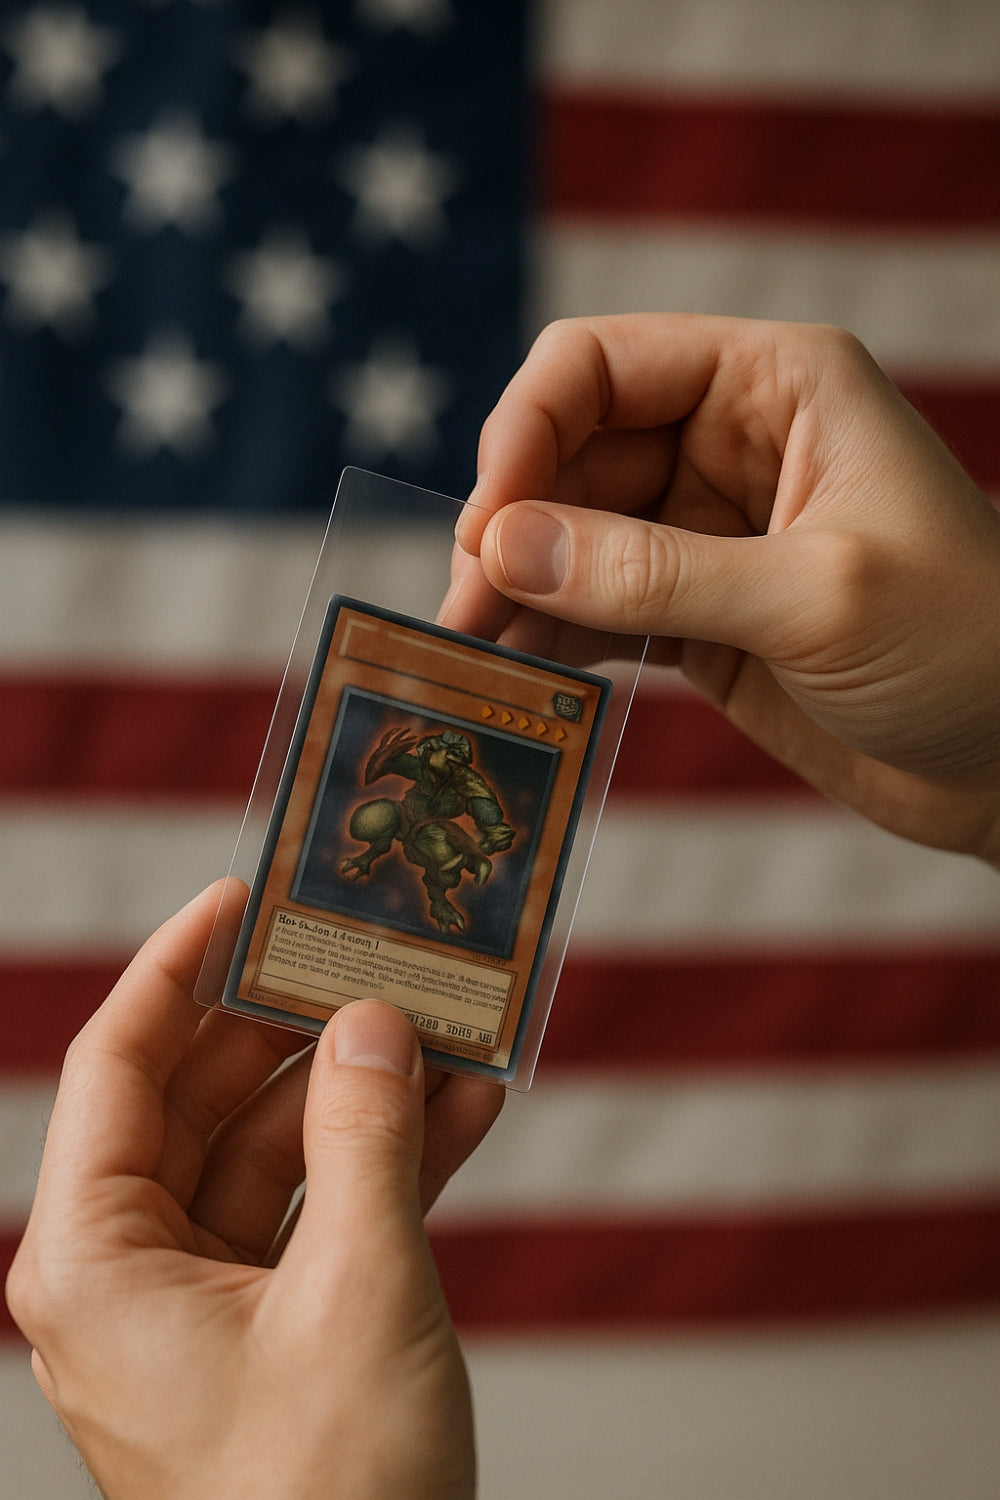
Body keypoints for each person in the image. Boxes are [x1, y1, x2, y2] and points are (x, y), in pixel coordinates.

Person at [7, 313, 1000, 1497]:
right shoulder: (413, 769)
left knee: (441, 847)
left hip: (454, 839)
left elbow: (455, 807)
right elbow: (386, 780)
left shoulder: (460, 797)